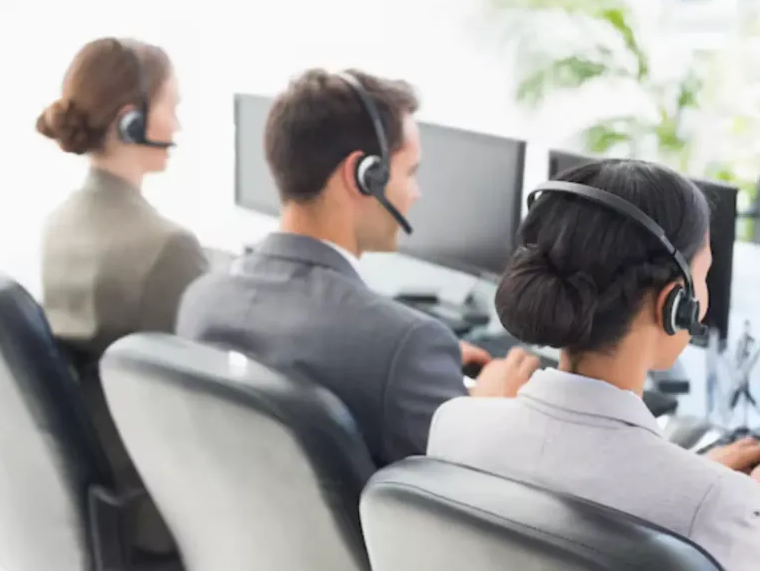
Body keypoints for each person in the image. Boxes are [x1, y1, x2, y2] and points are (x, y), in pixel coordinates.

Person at [427, 160, 760, 571]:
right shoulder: (718, 501)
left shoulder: (454, 426)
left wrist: (694, 479)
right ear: (674, 303)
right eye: (704, 274)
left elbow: (585, 479)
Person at [177, 68, 539, 467]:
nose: (416, 194)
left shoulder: (201, 300)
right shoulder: (404, 344)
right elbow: (452, 498)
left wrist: (424, 365)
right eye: (410, 172)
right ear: (363, 177)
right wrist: (485, 409)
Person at [37, 37, 205, 559]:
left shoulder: (58, 222)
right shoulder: (165, 248)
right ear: (132, 123)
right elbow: (210, 400)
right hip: (153, 506)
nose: (177, 127)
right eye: (171, 108)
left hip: (90, 486)